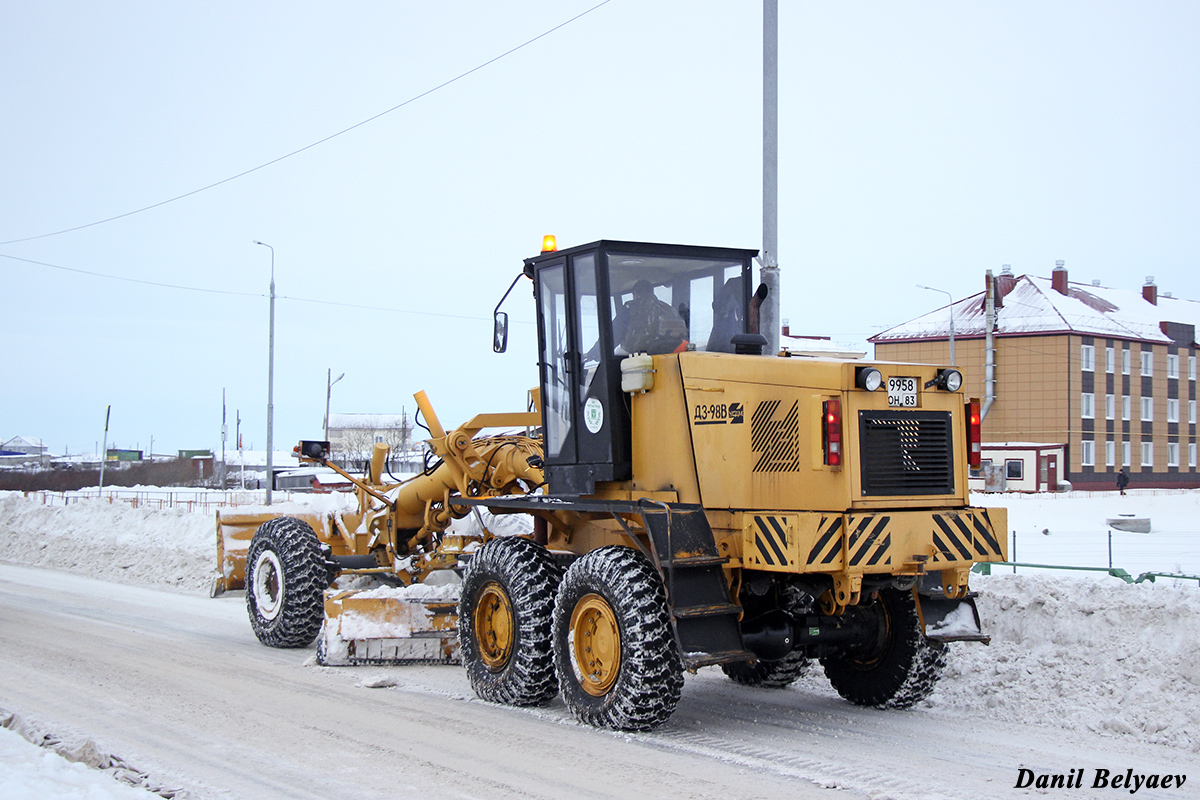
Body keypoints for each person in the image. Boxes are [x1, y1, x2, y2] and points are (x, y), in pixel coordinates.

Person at [616, 280, 689, 355]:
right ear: (652, 292)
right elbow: (681, 336)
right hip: (667, 358)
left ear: (635, 294)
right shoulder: (671, 310)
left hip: (637, 360)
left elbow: (614, 336)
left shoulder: (629, 307)